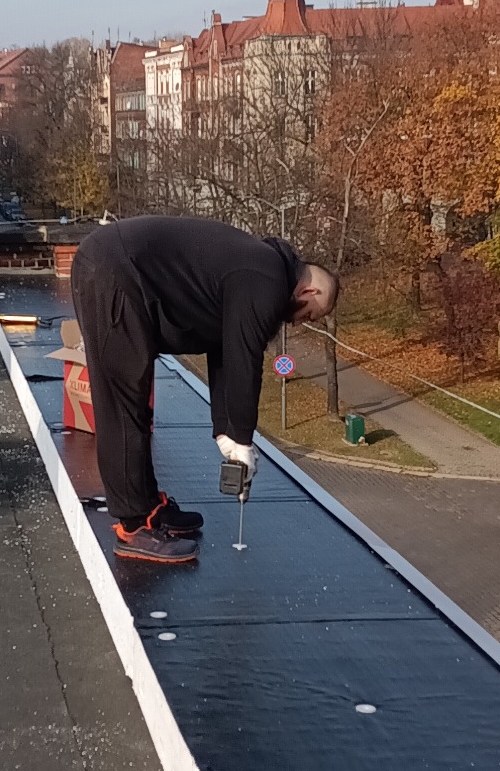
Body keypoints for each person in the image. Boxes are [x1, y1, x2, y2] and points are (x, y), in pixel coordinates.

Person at [70, 215, 339, 565]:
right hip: (114, 270)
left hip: (120, 270)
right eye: (310, 314)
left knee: (132, 401)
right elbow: (245, 356)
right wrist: (242, 438)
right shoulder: (267, 278)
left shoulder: (257, 269)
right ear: (310, 291)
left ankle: (148, 508)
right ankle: (134, 526)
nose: (299, 321)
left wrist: (226, 432)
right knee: (123, 402)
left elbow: (225, 348)